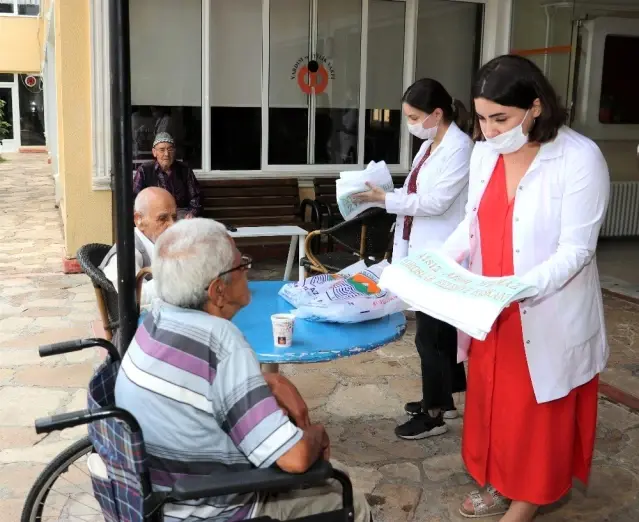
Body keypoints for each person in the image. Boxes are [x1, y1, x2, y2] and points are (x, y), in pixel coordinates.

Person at [441, 55, 610, 521]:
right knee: (491, 403)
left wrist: (516, 288)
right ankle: (498, 481)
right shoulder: (484, 153)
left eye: (501, 118)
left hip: (544, 307)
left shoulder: (579, 158)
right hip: (489, 311)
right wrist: (436, 266)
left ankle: (526, 500)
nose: (489, 131)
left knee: (536, 414)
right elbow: (471, 225)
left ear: (535, 107)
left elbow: (577, 250)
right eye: (480, 117)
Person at [114, 218, 371, 522]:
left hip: (159, 495)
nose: (247, 271)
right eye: (241, 266)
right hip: (211, 510)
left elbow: (198, 387)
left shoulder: (157, 319)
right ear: (218, 290)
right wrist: (317, 433)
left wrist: (267, 381)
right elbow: (296, 458)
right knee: (346, 491)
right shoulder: (222, 344)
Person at [354, 78, 472, 440]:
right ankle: (447, 399)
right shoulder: (430, 145)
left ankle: (434, 413)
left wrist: (384, 201)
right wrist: (385, 193)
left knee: (431, 337)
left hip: (441, 255)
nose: (410, 124)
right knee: (439, 330)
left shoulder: (459, 148)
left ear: (438, 113)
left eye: (414, 116)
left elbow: (436, 202)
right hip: (421, 251)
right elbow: (414, 190)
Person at [100, 187, 177, 310]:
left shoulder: (156, 241)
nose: (172, 225)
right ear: (139, 220)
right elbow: (135, 296)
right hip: (143, 326)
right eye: (163, 218)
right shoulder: (125, 254)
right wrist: (179, 278)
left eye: (174, 217)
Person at [133, 132, 202, 218]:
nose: (166, 154)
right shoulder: (144, 170)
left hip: (180, 214)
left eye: (170, 149)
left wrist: (192, 213)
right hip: (155, 216)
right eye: (162, 150)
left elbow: (195, 197)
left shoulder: (185, 170)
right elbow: (135, 197)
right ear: (154, 152)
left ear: (174, 151)